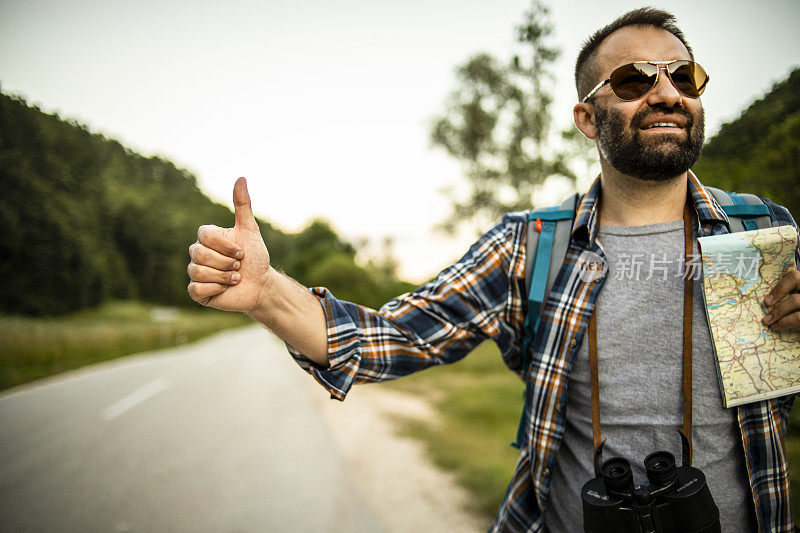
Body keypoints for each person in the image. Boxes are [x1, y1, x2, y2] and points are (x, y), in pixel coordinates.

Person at [186, 8, 800, 532]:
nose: (666, 93)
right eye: (635, 78)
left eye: (683, 76)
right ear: (587, 119)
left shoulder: (762, 231)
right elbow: (395, 339)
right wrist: (266, 292)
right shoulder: (529, 247)